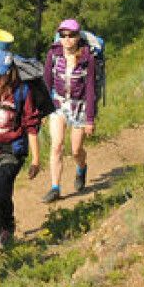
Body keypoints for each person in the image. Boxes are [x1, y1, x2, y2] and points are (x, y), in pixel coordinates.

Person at [0, 51, 42, 253]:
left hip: (12, 150)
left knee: (2, 190)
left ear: (10, 72)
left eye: (0, 75)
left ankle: (8, 230)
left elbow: (31, 124)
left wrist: (36, 159)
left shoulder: (22, 91)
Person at [41, 18, 98, 203]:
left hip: (79, 106)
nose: (66, 39)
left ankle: (81, 168)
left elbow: (90, 89)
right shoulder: (53, 53)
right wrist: (42, 110)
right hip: (58, 105)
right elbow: (46, 81)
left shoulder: (87, 58)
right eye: (63, 35)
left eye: (71, 35)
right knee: (56, 146)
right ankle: (55, 187)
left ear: (78, 36)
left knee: (76, 150)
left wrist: (90, 119)